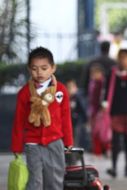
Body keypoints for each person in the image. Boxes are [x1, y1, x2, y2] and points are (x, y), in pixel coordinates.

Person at [11, 47, 73, 190]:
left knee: (55, 180)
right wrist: (16, 146)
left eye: (44, 68)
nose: (39, 73)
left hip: (55, 142)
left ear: (53, 68)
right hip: (32, 144)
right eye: (34, 68)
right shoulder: (24, 93)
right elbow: (18, 122)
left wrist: (68, 141)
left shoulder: (61, 91)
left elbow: (66, 117)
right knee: (35, 182)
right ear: (29, 69)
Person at [105, 49, 127, 178]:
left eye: (126, 58)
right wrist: (104, 104)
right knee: (116, 141)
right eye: (121, 57)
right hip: (115, 112)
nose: (123, 60)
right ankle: (114, 167)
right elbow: (106, 91)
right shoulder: (112, 74)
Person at [66, 79, 90, 151]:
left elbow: (83, 109)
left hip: (77, 122)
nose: (69, 90)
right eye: (68, 88)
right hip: (69, 122)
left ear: (75, 88)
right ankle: (69, 158)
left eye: (71, 88)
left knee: (75, 141)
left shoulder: (78, 97)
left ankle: (74, 158)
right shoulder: (67, 98)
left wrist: (86, 120)